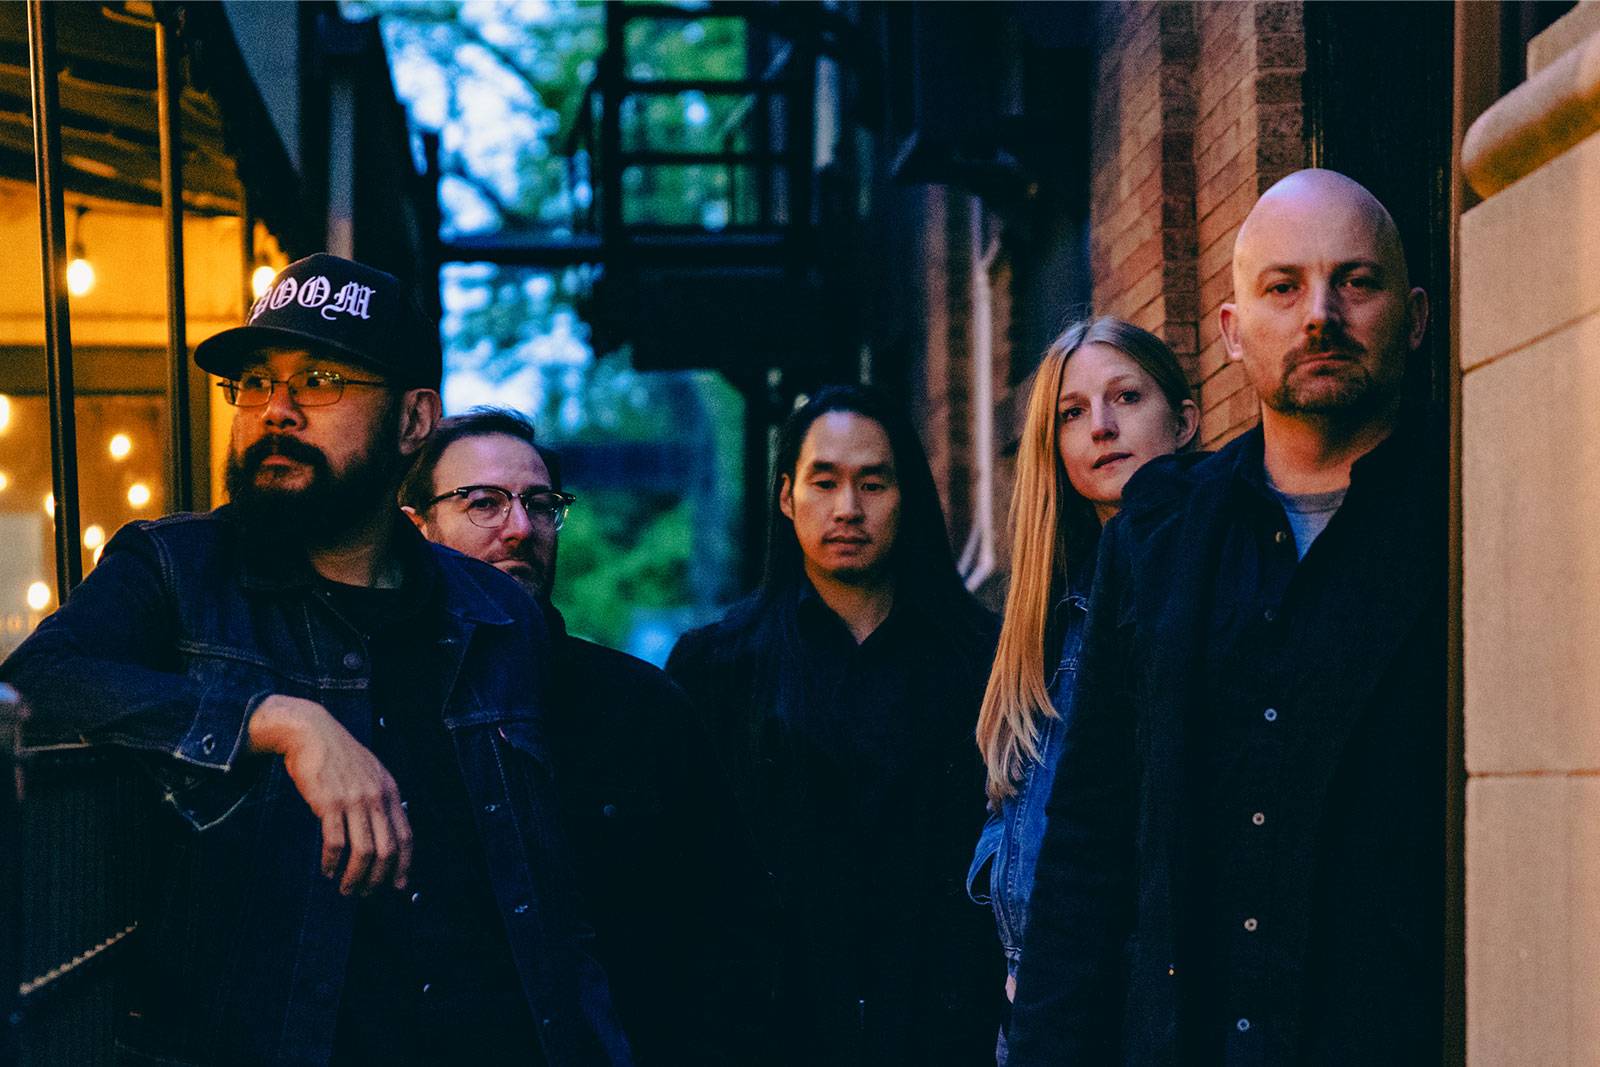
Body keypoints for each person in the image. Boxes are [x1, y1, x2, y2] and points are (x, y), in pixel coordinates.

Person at [1, 254, 630, 1066]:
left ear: (413, 420)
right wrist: (275, 721)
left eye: (321, 380)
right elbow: (36, 683)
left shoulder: (499, 616)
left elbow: (558, 903)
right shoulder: (176, 572)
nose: (277, 409)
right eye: (256, 382)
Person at [1007, 169, 1445, 1064]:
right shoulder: (1160, 532)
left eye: (1356, 280)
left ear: (1416, 317)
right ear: (1233, 331)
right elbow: (1090, 838)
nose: (1320, 314)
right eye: (1284, 287)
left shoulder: (1467, 506)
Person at [398, 407, 770, 1065]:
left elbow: (728, 935)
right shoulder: (377, 709)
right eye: (483, 503)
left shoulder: (641, 708)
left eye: (540, 505)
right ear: (414, 528)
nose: (520, 527)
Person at [666, 384, 1005, 1065]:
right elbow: (682, 880)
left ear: (907, 496)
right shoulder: (717, 666)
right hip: (770, 1035)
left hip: (947, 1031)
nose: (848, 507)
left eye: (873, 483)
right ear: (787, 497)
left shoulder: (987, 659)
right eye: (824, 482)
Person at [969, 318, 1198, 1062]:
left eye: (1126, 397)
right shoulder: (1043, 627)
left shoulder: (1210, 595)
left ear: (1185, 422)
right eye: (1072, 412)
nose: (1101, 426)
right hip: (1043, 1026)